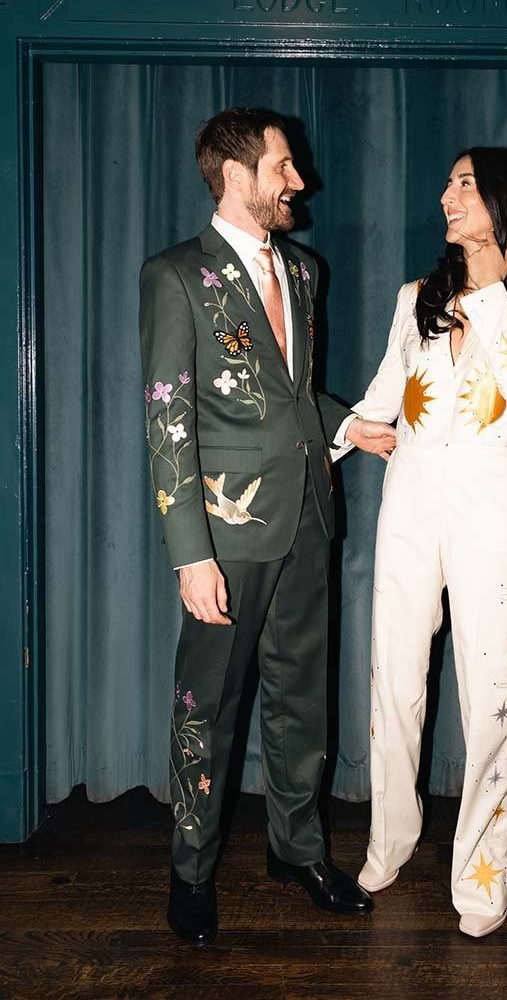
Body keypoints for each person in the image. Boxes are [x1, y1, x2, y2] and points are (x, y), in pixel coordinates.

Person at [139, 107, 395, 945]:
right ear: (237, 174)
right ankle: (191, 870)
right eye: (284, 167)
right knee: (206, 704)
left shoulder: (305, 271)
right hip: (226, 531)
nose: (299, 182)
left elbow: (290, 400)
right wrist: (190, 557)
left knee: (300, 698)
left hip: (311, 518)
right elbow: (169, 416)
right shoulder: (177, 275)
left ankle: (298, 850)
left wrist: (352, 426)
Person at [348, 147, 507, 937]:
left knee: (490, 697)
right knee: (394, 681)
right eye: (448, 182)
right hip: (411, 496)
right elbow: (385, 395)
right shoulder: (418, 297)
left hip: (491, 502)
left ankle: (483, 878)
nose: (446, 195)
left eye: (465, 184)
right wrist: (329, 435)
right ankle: (390, 839)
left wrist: (486, 292)